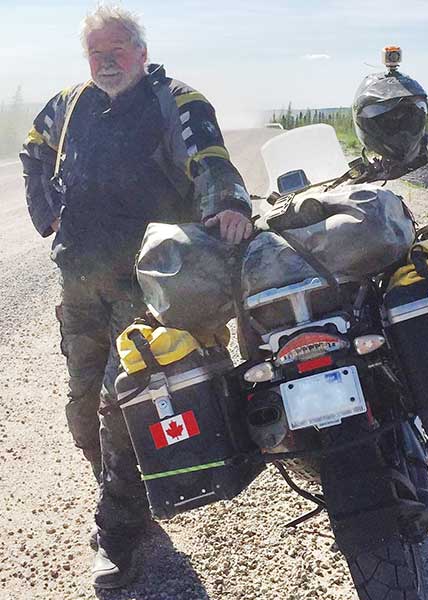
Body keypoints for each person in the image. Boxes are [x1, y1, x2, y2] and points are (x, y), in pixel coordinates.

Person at [20, 4, 253, 588]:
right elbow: (33, 149)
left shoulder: (176, 100)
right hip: (79, 285)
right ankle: (124, 490)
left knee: (121, 407)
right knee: (81, 410)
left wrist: (228, 202)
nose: (106, 61)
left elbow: (210, 159)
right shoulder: (68, 105)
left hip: (149, 287)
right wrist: (42, 210)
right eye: (96, 52)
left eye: (117, 48)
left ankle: (120, 529)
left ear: (141, 51)